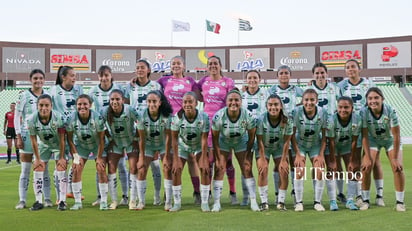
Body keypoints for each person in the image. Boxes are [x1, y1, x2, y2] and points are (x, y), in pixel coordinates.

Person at [338, 59, 384, 207]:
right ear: (345, 71)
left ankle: (379, 195)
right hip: (352, 129)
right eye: (347, 67)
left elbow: (377, 102)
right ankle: (359, 195)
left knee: (374, 161)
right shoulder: (341, 86)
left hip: (369, 127)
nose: (350, 69)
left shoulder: (369, 84)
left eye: (353, 67)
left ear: (359, 69)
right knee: (355, 162)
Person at [157, 56, 202, 204]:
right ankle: (169, 192)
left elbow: (201, 96)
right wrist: (133, 81)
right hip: (168, 123)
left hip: (185, 121)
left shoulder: (190, 81)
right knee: (168, 158)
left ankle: (197, 192)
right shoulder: (163, 81)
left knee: (190, 157)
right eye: (173, 64)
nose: (176, 66)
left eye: (178, 63)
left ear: (184, 66)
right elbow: (150, 88)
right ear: (170, 66)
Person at [197, 56, 239, 205]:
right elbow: (194, 92)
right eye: (210, 64)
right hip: (208, 126)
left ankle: (232, 192)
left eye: (215, 63)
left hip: (224, 125)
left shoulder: (228, 82)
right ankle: (208, 192)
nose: (213, 66)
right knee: (208, 161)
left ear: (220, 66)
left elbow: (233, 100)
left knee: (227, 161)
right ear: (207, 67)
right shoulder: (203, 81)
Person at [211, 89, 258, 212]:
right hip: (224, 141)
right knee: (219, 168)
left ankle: (253, 201)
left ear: (241, 102)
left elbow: (252, 135)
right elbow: (215, 138)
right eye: (230, 100)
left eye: (236, 100)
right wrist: (217, 157)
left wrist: (248, 155)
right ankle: (216, 203)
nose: (233, 102)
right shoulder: (218, 116)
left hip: (241, 141)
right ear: (226, 102)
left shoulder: (248, 115)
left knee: (247, 168)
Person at [359, 87, 405, 212]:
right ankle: (366, 200)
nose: (373, 101)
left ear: (382, 99)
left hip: (390, 140)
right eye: (370, 98)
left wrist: (395, 158)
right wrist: (367, 157)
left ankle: (400, 202)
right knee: (366, 167)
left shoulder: (390, 110)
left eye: (376, 98)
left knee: (398, 168)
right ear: (367, 100)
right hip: (373, 140)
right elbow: (364, 135)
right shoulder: (363, 112)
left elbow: (396, 135)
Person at [88, 65, 129, 207]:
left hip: (118, 134)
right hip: (101, 134)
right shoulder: (93, 91)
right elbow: (87, 107)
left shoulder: (119, 88)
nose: (104, 78)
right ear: (98, 77)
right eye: (101, 75)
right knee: (100, 164)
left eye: (106, 75)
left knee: (121, 165)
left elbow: (127, 106)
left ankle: (125, 196)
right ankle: (101, 196)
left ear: (111, 75)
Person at [125, 59, 163, 205]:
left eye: (142, 67)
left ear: (148, 70)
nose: (139, 70)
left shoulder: (156, 86)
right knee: (136, 165)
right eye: (137, 68)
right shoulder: (130, 86)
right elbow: (127, 106)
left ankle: (157, 196)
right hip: (136, 130)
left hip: (153, 129)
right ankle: (134, 198)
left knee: (155, 164)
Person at [14, 69, 52, 210]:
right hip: (26, 135)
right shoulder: (24, 95)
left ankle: (47, 199)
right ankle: (22, 200)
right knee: (25, 170)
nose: (38, 81)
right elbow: (17, 116)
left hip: (42, 136)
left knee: (45, 169)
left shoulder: (47, 95)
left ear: (44, 80)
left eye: (41, 78)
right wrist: (18, 135)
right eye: (35, 78)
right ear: (30, 79)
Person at [307, 63, 341, 211]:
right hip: (315, 135)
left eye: (322, 73)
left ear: (327, 74)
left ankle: (334, 198)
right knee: (318, 167)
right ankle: (317, 198)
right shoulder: (308, 90)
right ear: (313, 75)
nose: (320, 76)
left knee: (332, 165)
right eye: (317, 73)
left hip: (333, 132)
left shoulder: (335, 88)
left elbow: (342, 106)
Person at [268, 65, 303, 204]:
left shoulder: (297, 90)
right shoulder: (272, 90)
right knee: (279, 164)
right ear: (277, 76)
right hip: (278, 131)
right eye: (281, 73)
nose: (284, 75)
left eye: (286, 73)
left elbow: (305, 99)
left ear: (290, 75)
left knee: (295, 162)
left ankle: (296, 192)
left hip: (293, 129)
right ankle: (278, 195)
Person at [169, 92, 210, 212]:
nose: (187, 104)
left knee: (204, 169)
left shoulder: (204, 117)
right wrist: (176, 159)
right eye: (185, 102)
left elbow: (204, 139)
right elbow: (174, 139)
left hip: (198, 146)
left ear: (196, 103)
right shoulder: (177, 118)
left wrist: (203, 158)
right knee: (176, 170)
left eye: (190, 102)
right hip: (183, 146)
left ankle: (205, 202)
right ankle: (177, 203)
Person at [49, 65, 83, 204]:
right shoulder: (54, 90)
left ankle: (70, 191)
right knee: (61, 163)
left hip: (75, 132)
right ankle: (59, 196)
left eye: (75, 75)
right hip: (60, 133)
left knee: (76, 162)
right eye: (72, 75)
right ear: (63, 77)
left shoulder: (78, 90)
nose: (74, 78)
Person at [66, 94, 106, 210]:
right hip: (81, 146)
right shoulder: (71, 118)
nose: (82, 106)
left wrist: (98, 157)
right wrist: (75, 157)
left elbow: (102, 139)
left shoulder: (97, 117)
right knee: (76, 168)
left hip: (96, 145)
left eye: (85, 104)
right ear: (76, 106)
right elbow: (69, 139)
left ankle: (103, 201)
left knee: (101, 168)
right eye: (79, 104)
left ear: (90, 105)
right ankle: (78, 202)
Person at [101, 89, 139, 210]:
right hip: (116, 142)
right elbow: (100, 125)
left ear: (123, 100)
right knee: (111, 168)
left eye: (117, 99)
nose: (115, 102)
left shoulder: (130, 110)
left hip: (130, 142)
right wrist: (109, 137)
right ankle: (114, 201)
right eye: (112, 99)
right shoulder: (105, 111)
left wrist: (136, 137)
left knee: (133, 168)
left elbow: (141, 123)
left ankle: (132, 200)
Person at [28, 94, 67, 211]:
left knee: (61, 168)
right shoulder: (31, 119)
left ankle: (62, 201)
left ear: (51, 106)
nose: (43, 108)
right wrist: (37, 159)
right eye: (41, 105)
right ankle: (39, 201)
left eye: (46, 105)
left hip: (57, 146)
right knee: (38, 167)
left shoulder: (58, 117)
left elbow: (62, 139)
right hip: (43, 145)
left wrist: (61, 157)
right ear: (37, 106)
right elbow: (34, 141)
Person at [136, 90, 173, 211]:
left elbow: (168, 136)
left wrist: (166, 155)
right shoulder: (141, 115)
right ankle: (141, 202)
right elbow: (141, 138)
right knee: (141, 169)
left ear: (160, 103)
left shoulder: (167, 116)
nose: (152, 104)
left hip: (163, 145)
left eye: (154, 101)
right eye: (149, 101)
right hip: (148, 145)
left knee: (167, 168)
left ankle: (168, 202)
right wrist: (141, 157)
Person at [292, 89, 327, 212]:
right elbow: (292, 134)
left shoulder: (323, 113)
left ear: (316, 100)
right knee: (299, 169)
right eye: (306, 100)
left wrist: (321, 154)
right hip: (300, 144)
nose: (309, 102)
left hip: (315, 145)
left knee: (319, 169)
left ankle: (317, 202)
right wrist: (297, 153)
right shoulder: (296, 112)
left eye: (312, 100)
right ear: (302, 101)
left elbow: (324, 136)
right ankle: (299, 202)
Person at [256, 94, 293, 211]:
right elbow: (260, 140)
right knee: (263, 170)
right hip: (264, 147)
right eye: (270, 105)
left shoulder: (287, 120)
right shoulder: (261, 119)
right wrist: (262, 158)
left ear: (281, 106)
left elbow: (287, 141)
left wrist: (283, 160)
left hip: (279, 147)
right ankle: (264, 202)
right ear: (266, 106)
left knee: (284, 170)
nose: (273, 107)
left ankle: (281, 201)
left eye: (276, 104)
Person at [326, 96, 362, 210]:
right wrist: (332, 160)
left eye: (346, 107)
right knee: (332, 169)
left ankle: (350, 200)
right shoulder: (331, 120)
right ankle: (333, 200)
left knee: (353, 169)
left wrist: (352, 159)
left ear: (352, 108)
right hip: (333, 146)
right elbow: (331, 141)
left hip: (347, 145)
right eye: (340, 107)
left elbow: (355, 140)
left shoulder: (357, 119)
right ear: (337, 107)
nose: (343, 110)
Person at [241, 69, 269, 205]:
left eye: (255, 78)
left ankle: (265, 198)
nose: (252, 80)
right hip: (244, 136)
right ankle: (247, 197)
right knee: (246, 166)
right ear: (246, 80)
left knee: (261, 166)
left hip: (261, 136)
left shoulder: (266, 94)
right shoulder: (242, 96)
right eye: (250, 78)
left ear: (260, 79)